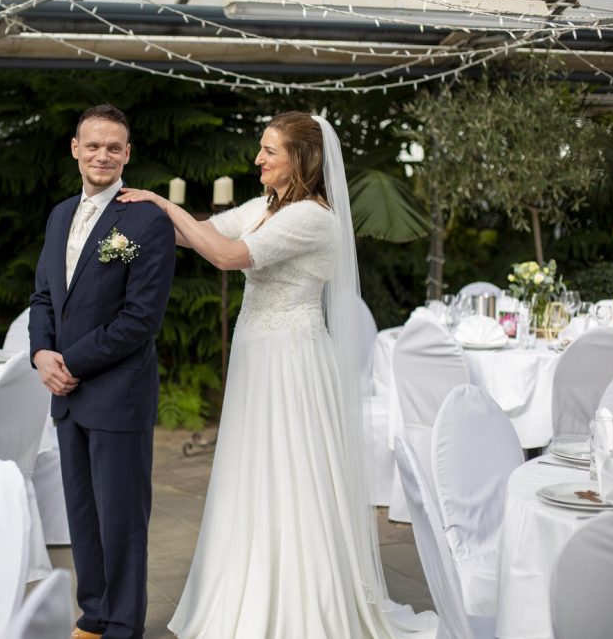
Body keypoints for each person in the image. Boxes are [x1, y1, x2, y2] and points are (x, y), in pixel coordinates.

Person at [118, 112, 436, 638]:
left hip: (290, 360)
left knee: (291, 469)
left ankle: (296, 597)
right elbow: (205, 231)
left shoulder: (312, 218)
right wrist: (140, 222)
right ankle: (249, 579)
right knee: (254, 467)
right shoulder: (268, 207)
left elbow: (223, 255)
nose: (258, 158)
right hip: (256, 355)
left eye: (269, 150)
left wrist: (158, 202)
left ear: (302, 160)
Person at [29, 104, 176, 639]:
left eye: (114, 147)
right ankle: (92, 616)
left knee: (121, 522)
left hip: (118, 392)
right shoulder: (60, 214)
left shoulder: (147, 221)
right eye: (93, 145)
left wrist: (71, 362)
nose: (103, 155)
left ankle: (122, 627)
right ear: (75, 149)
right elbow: (44, 297)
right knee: (83, 517)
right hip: (66, 393)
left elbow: (141, 318)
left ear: (128, 154)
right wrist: (41, 354)